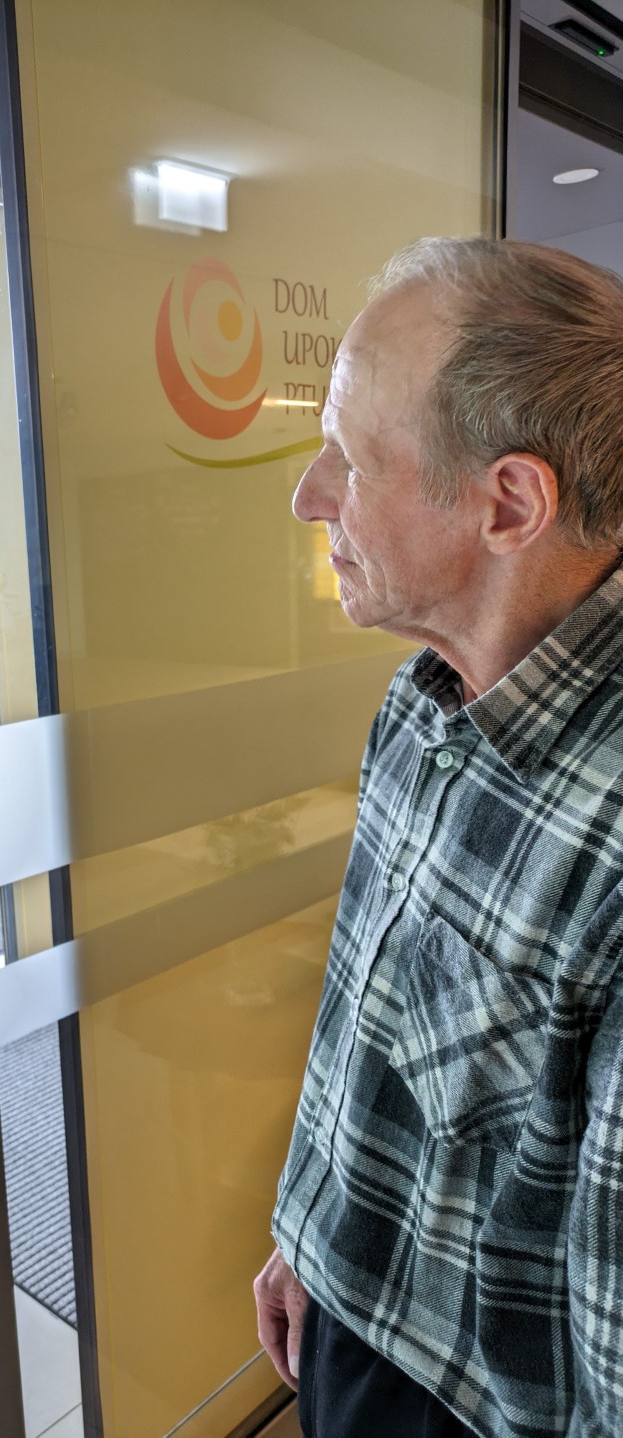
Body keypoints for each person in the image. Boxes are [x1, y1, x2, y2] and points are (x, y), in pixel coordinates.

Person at [253, 236, 623, 1438]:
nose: (310, 496)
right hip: (352, 1319)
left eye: (353, 460)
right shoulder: (426, 698)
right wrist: (307, 1226)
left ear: (508, 503)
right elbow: (365, 1009)